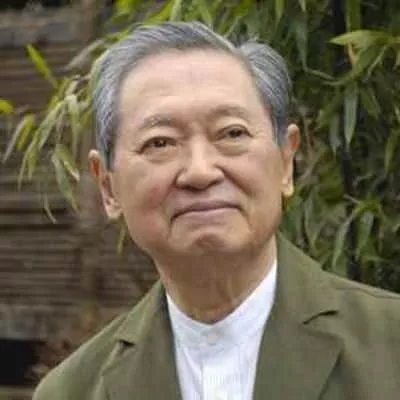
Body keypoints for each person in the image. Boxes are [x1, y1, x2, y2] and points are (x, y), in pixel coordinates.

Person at [33, 22, 400, 400]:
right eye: (160, 143)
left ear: (286, 162)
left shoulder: (390, 348)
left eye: (232, 133)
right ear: (108, 187)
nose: (200, 171)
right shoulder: (72, 391)